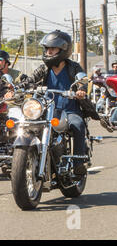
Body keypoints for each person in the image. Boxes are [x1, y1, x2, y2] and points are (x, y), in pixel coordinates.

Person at [16, 30, 99, 176]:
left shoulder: (73, 67)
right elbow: (30, 80)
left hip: (70, 111)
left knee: (78, 125)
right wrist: (17, 88)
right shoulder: (44, 68)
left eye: (52, 49)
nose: (48, 52)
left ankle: (79, 163)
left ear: (63, 50)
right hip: (48, 110)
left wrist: (81, 90)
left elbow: (82, 79)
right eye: (47, 49)